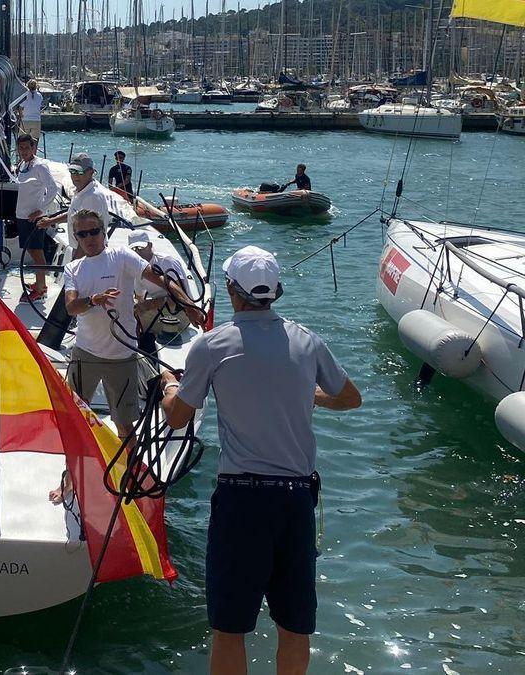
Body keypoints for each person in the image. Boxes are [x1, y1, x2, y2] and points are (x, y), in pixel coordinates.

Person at [160, 245, 362, 675]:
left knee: (230, 629)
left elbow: (179, 417)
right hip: (295, 502)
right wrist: (307, 394)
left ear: (233, 292)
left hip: (242, 502)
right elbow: (350, 398)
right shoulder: (307, 341)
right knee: (294, 627)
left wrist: (166, 390)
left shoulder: (212, 346)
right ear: (277, 292)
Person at [62, 209, 204, 435]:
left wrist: (188, 304)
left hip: (122, 358)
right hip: (85, 355)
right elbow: (71, 307)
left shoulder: (121, 256)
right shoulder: (73, 268)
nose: (89, 238)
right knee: (75, 418)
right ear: (76, 237)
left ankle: (130, 469)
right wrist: (94, 300)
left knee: (125, 426)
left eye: (94, 231)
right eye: (82, 234)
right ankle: (75, 469)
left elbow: (161, 280)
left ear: (103, 232)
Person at [14, 132, 60, 301]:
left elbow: (53, 189)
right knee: (32, 252)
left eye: (27, 147)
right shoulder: (23, 165)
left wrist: (40, 210)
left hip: (34, 217)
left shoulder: (40, 166)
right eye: (21, 148)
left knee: (37, 252)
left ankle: (40, 290)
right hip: (22, 215)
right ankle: (40, 283)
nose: (24, 151)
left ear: (33, 147)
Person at [40, 153, 131, 235]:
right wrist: (51, 221)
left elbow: (91, 236)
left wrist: (78, 253)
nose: (75, 176)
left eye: (80, 172)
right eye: (72, 171)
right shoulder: (80, 191)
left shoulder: (92, 196)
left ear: (91, 172)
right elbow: (73, 213)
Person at [129, 230, 193, 338]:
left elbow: (182, 296)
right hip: (160, 309)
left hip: (180, 311)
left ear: (150, 245)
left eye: (140, 248)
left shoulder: (166, 261)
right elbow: (139, 297)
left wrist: (150, 304)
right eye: (134, 249)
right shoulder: (136, 268)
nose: (138, 253)